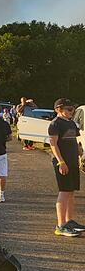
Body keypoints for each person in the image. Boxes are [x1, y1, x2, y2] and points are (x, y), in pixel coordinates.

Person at [49, 98, 85, 237]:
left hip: (72, 161)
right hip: (62, 162)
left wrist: (79, 152)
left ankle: (69, 221)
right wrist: (61, 162)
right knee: (64, 192)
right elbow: (53, 144)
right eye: (69, 109)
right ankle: (60, 225)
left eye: (72, 109)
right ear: (59, 109)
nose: (72, 112)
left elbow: (75, 140)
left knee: (71, 192)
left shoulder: (71, 123)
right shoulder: (55, 124)